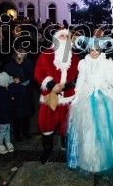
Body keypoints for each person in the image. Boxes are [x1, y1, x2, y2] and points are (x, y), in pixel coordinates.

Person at [67, 41, 113, 173]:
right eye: (91, 50)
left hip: (104, 94)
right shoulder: (84, 64)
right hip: (87, 94)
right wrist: (77, 94)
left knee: (106, 127)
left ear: (101, 50)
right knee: (87, 127)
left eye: (97, 50)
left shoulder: (108, 64)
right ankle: (89, 159)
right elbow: (81, 79)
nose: (94, 52)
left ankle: (105, 159)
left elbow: (111, 79)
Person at [34, 28, 80, 164]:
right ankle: (47, 148)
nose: (64, 39)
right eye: (62, 36)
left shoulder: (75, 56)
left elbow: (80, 74)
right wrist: (51, 84)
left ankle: (65, 143)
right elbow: (38, 73)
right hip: (50, 95)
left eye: (67, 37)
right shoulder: (46, 54)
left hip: (68, 95)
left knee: (68, 122)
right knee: (46, 122)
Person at [4, 50, 35, 142]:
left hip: (27, 92)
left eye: (22, 60)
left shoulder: (29, 63)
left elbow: (33, 74)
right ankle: (17, 135)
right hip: (16, 94)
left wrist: (29, 80)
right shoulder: (9, 66)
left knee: (27, 115)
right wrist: (12, 79)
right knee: (17, 115)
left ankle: (26, 132)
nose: (20, 61)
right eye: (18, 60)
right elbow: (3, 78)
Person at [0, 72, 16, 154]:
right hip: (3, 116)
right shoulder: (2, 92)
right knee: (3, 131)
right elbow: (12, 93)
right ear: (5, 84)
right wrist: (11, 85)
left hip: (6, 115)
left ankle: (7, 142)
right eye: (8, 82)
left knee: (7, 129)